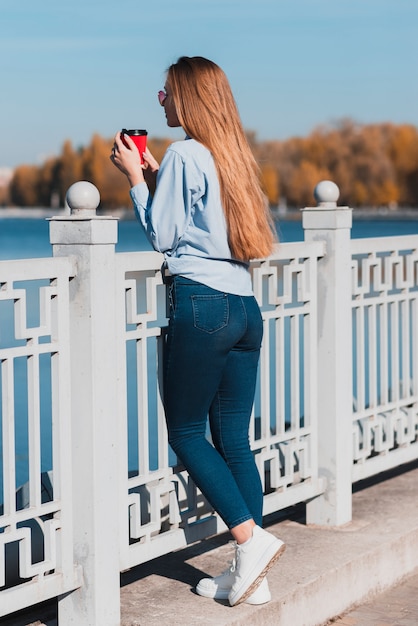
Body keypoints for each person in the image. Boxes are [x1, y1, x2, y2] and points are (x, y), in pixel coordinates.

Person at [110, 55, 285, 607]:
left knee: (186, 434)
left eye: (165, 93)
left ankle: (248, 542)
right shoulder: (226, 155)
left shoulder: (186, 150)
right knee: (233, 438)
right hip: (243, 307)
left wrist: (136, 178)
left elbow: (163, 235)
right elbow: (201, 222)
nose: (159, 100)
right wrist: (161, 180)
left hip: (202, 306)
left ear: (187, 98)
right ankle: (251, 578)